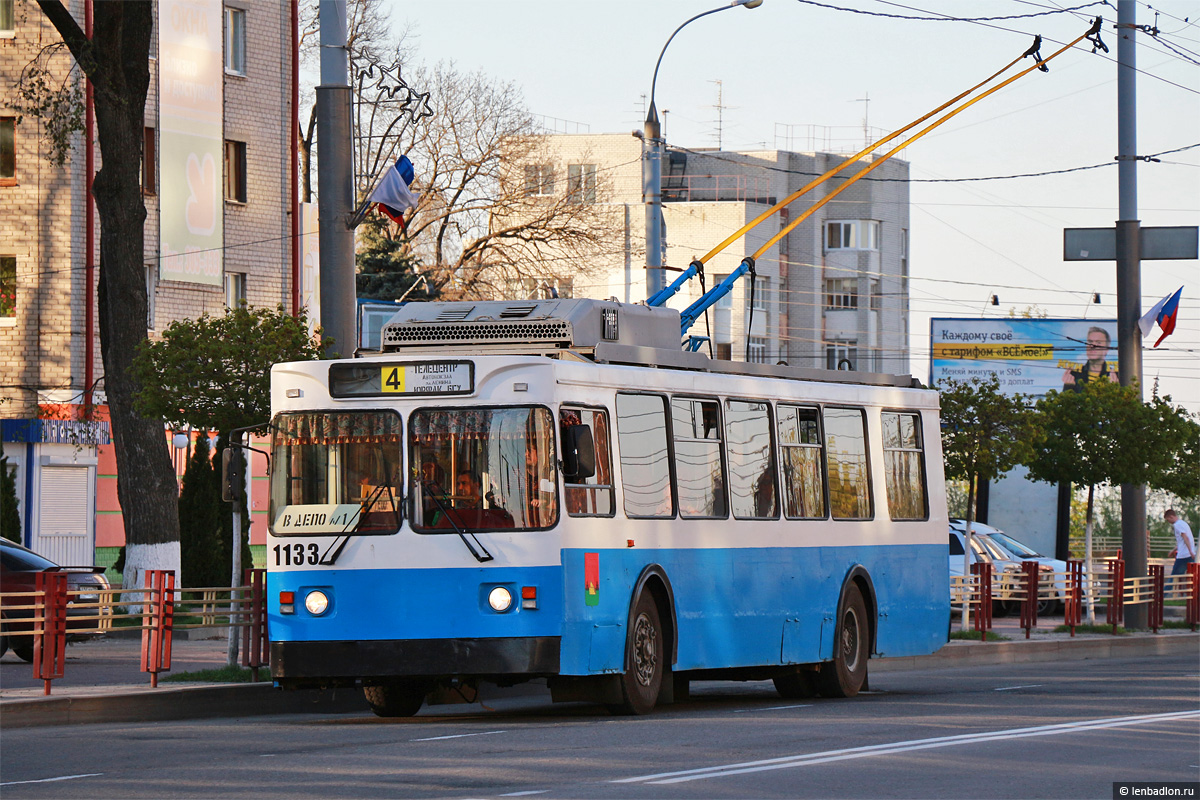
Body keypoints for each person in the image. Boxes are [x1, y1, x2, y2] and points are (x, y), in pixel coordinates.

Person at [1165, 508, 1196, 576]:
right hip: (1189, 554)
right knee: (1192, 576)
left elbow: (1185, 538)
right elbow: (1182, 542)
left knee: (1174, 577)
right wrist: (1173, 550)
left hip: (1183, 555)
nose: (1169, 522)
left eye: (1168, 520)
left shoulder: (1177, 525)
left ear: (1171, 517)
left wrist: (1190, 551)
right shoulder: (1183, 523)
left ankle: (1166, 587)